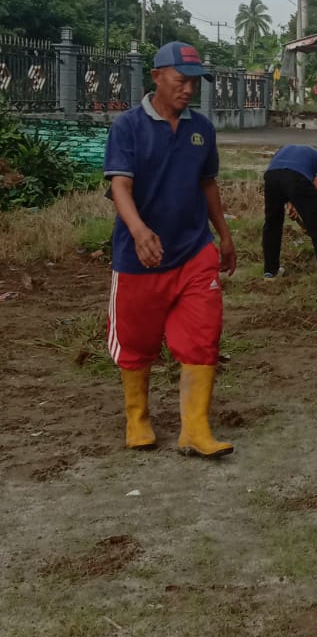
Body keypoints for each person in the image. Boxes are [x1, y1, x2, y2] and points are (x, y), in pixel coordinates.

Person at [105, 42, 237, 457]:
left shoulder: (203, 129)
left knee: (203, 335)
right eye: (181, 81)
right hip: (140, 257)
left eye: (194, 83)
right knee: (136, 341)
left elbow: (207, 184)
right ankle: (138, 419)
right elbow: (119, 186)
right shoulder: (127, 127)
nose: (188, 91)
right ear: (157, 76)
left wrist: (224, 233)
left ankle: (195, 429)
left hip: (194, 250)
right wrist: (140, 230)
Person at [263, 143, 317, 277]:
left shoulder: (286, 149)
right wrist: (299, 206)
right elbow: (314, 186)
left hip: (271, 176)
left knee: (272, 223)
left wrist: (293, 202)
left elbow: (284, 175)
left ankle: (270, 271)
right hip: (296, 178)